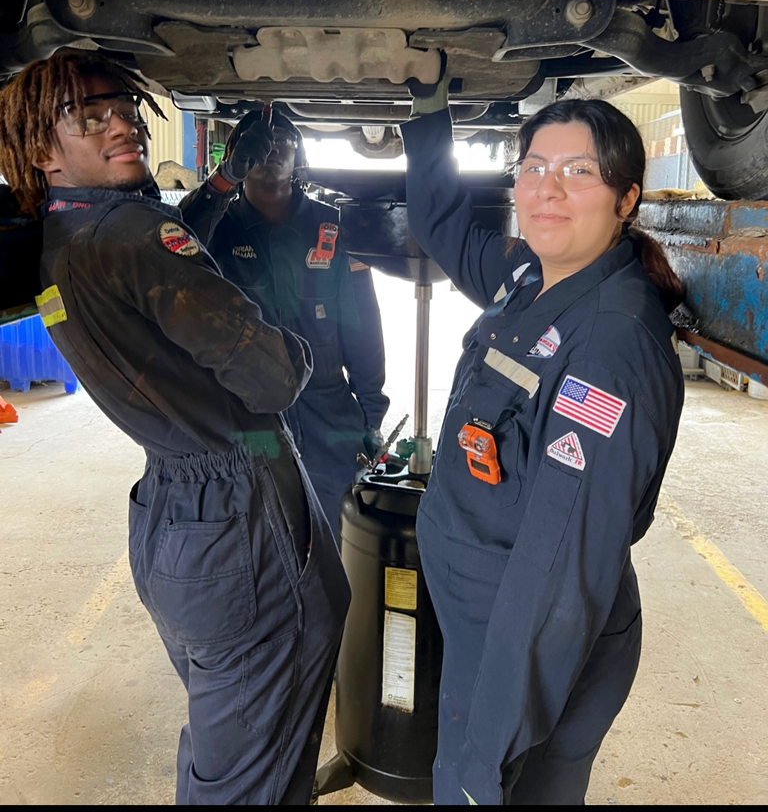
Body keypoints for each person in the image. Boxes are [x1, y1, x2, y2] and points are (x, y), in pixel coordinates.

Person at [0, 49, 350, 806]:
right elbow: (273, 380)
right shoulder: (134, 241)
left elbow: (146, 258)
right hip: (231, 502)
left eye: (125, 109)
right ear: (38, 148)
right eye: (90, 116)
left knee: (249, 728)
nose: (122, 124)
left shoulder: (68, 236)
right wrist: (293, 340)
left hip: (196, 489)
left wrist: (221, 184)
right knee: (243, 766)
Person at [402, 73, 685, 805]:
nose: (547, 189)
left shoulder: (607, 351)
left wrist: (481, 760)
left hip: (528, 644)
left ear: (626, 200)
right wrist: (430, 111)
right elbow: (441, 230)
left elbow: (560, 572)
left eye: (578, 172)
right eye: (533, 168)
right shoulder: (531, 275)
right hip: (489, 625)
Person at [180, 106, 389, 539]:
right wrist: (224, 177)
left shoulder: (332, 226)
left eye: (284, 144)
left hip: (327, 406)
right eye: (258, 146)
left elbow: (362, 321)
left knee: (338, 533)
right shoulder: (218, 227)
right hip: (247, 408)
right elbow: (172, 242)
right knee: (259, 531)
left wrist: (370, 412)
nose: (272, 152)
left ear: (299, 158)